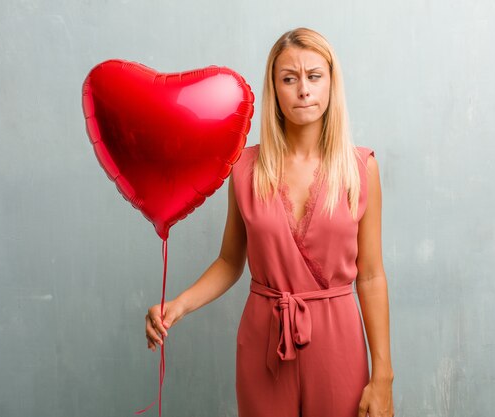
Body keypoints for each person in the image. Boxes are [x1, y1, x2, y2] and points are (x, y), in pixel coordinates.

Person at [145, 27, 394, 417]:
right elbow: (230, 261)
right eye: (289, 78)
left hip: (338, 340)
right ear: (274, 89)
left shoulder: (361, 169)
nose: (304, 90)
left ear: (331, 83)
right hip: (264, 341)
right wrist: (178, 305)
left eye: (314, 76)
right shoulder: (244, 167)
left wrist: (383, 378)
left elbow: (372, 276)